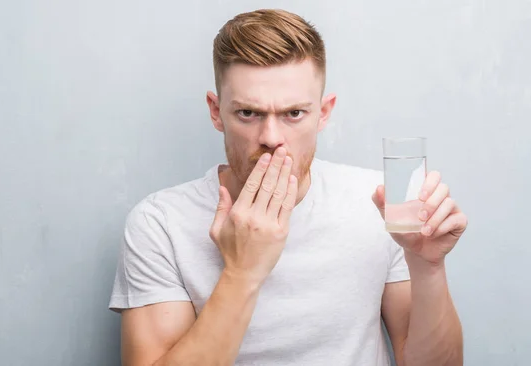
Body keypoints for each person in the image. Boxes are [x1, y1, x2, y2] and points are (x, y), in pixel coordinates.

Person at [109, 8, 467, 366]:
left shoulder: (378, 204)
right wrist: (242, 272)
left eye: (293, 113)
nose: (271, 138)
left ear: (323, 113)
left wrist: (427, 266)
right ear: (216, 112)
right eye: (248, 113)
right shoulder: (160, 224)